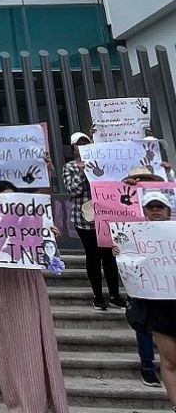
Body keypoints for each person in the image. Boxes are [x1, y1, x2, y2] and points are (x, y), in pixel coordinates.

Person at [0, 175, 69, 413]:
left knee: (35, 342)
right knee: (7, 347)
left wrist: (49, 236)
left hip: (28, 283)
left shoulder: (31, 222)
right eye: (0, 199)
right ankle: (19, 403)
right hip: (0, 284)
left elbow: (47, 249)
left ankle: (42, 402)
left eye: (11, 197)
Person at [117, 190, 176, 405]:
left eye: (159, 206)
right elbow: (129, 268)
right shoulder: (135, 236)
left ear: (168, 210)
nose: (155, 210)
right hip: (158, 305)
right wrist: (120, 253)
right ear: (144, 211)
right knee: (169, 360)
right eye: (151, 207)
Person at [62, 132, 128, 312]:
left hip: (105, 217)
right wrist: (83, 172)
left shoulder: (102, 162)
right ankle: (98, 296)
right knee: (93, 257)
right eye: (79, 143)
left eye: (86, 142)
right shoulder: (69, 167)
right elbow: (72, 191)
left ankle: (115, 295)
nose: (82, 145)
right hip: (84, 220)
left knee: (109, 256)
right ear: (73, 147)